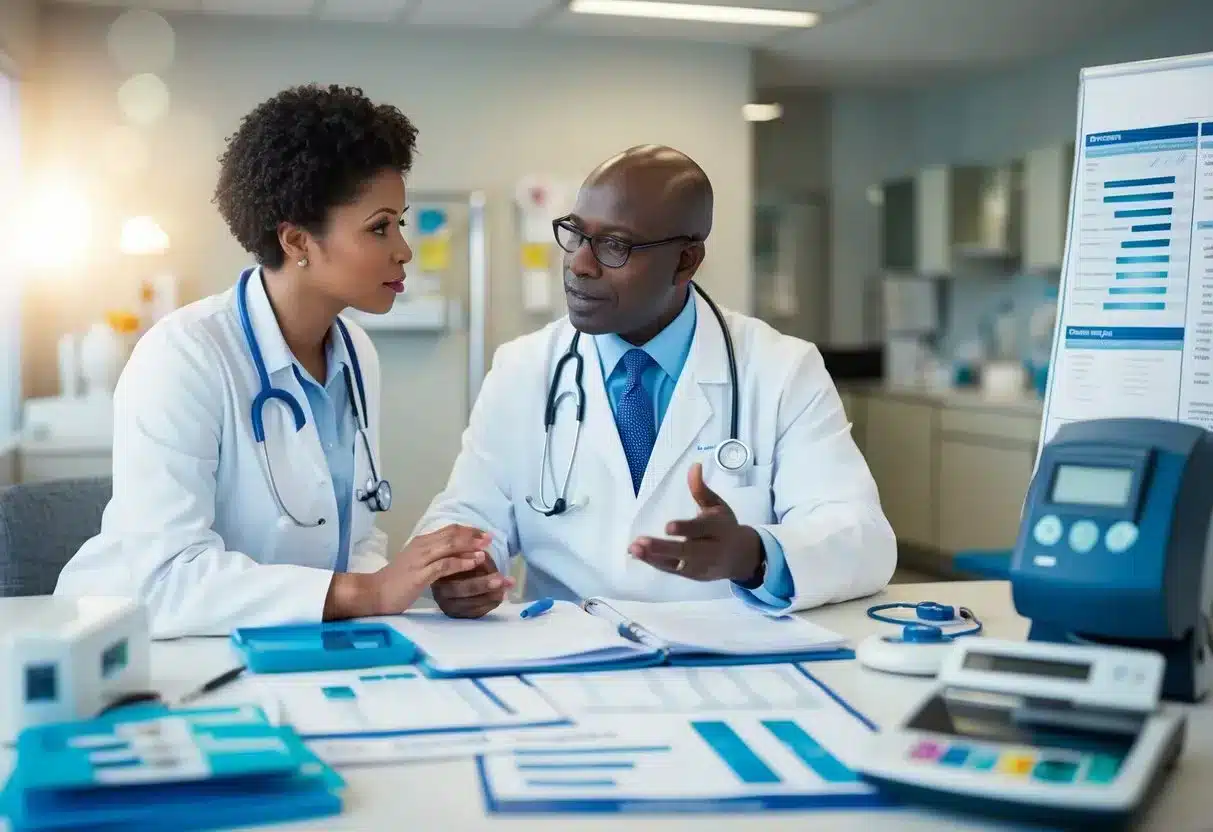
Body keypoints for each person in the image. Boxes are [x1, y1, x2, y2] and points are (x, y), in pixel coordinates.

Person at [55, 84, 494, 638]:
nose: (403, 249)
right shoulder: (184, 357)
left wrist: (415, 585)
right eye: (380, 227)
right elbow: (166, 578)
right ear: (297, 241)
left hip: (291, 644)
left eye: (400, 224)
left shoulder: (357, 355)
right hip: (143, 652)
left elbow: (354, 539)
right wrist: (369, 591)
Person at [413, 144, 896, 619]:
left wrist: (754, 554)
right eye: (576, 235)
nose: (581, 263)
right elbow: (468, 514)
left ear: (686, 261)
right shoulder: (523, 368)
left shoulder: (781, 369)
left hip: (725, 662)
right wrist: (461, 570)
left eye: (614, 246)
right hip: (565, 659)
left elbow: (861, 535)